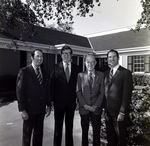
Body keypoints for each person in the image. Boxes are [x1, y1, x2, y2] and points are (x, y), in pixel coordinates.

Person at [16, 49, 51, 146]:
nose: (40, 58)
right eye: (37, 56)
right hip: (29, 110)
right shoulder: (24, 71)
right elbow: (20, 92)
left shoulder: (45, 72)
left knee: (38, 135)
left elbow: (47, 90)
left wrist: (48, 105)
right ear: (32, 57)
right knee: (27, 136)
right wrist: (22, 110)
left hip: (41, 110)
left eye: (41, 56)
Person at [50, 45, 80, 146]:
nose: (66, 55)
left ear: (71, 55)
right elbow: (52, 86)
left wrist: (78, 102)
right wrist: (52, 101)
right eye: (64, 53)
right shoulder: (55, 67)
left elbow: (79, 87)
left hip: (71, 103)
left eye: (68, 53)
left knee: (69, 128)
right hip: (59, 103)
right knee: (58, 128)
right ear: (61, 55)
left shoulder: (77, 68)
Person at [104, 49, 133, 146]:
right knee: (110, 138)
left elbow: (126, 95)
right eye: (109, 57)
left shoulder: (125, 73)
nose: (111, 59)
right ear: (107, 59)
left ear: (118, 58)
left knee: (120, 139)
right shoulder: (106, 73)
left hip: (119, 114)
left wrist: (122, 112)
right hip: (108, 113)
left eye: (114, 57)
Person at [76, 54, 104, 146]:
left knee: (96, 132)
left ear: (95, 63)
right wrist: (85, 105)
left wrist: (95, 106)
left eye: (92, 62)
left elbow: (102, 93)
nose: (90, 64)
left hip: (96, 109)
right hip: (84, 109)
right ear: (85, 63)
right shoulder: (80, 75)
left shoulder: (101, 75)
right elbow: (78, 91)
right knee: (84, 132)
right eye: (88, 62)